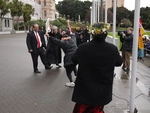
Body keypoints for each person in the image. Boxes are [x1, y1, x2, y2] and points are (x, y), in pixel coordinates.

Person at [71, 22, 122, 113]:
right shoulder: (112, 49)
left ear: (92, 34)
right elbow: (119, 62)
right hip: (102, 89)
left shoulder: (83, 48)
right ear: (105, 34)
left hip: (85, 88)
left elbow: (73, 59)